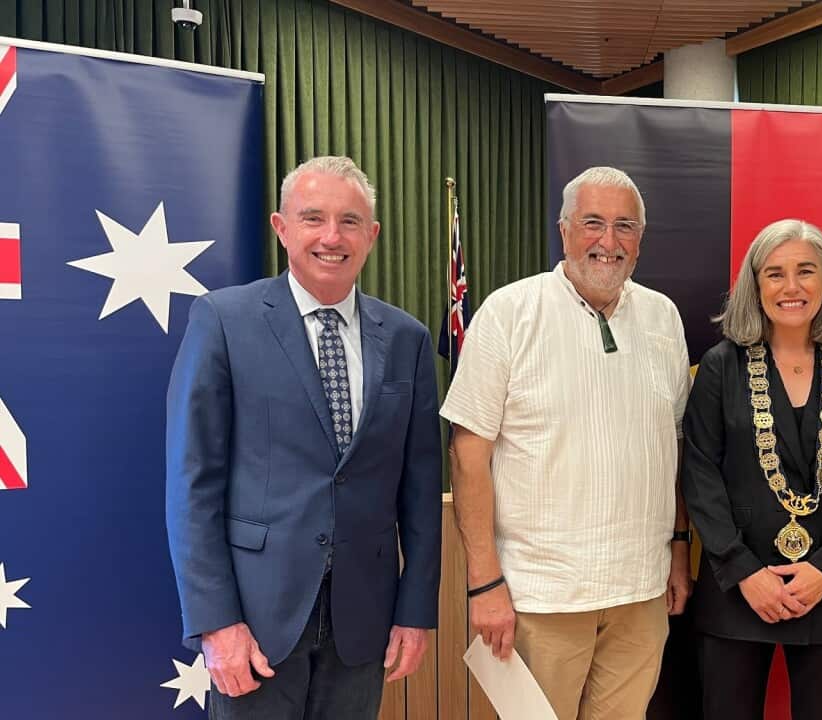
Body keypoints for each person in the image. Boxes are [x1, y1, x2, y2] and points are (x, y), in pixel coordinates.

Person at [165, 156, 442, 719]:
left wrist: (415, 612)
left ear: (373, 235)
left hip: (363, 624)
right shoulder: (223, 320)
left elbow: (420, 490)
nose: (332, 237)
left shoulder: (408, 339)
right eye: (313, 218)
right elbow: (192, 484)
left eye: (350, 221)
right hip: (255, 621)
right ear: (281, 227)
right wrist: (216, 622)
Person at [440, 166, 692, 720]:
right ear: (564, 230)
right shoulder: (509, 313)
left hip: (640, 595)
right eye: (593, 223)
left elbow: (671, 451)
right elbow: (468, 456)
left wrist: (677, 549)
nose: (609, 241)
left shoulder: (663, 318)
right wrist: (484, 583)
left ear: (641, 239)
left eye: (625, 226)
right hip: (538, 598)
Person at [682, 219, 822, 719]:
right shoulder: (720, 365)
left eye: (805, 271)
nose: (791, 287)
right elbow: (699, 472)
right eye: (774, 273)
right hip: (736, 587)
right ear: (755, 286)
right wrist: (743, 570)